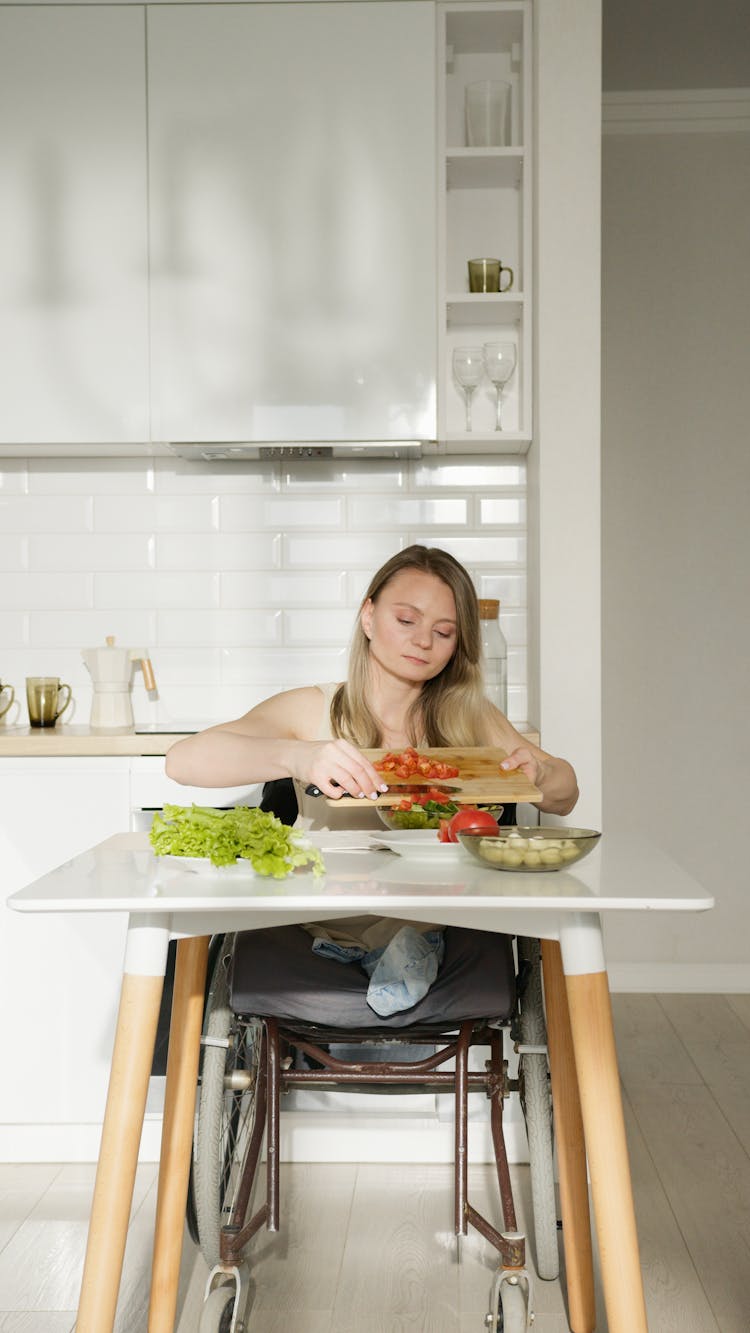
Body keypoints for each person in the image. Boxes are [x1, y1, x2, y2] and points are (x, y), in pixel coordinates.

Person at [165, 545, 578, 1014]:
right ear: (368, 617)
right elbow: (184, 761)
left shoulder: (472, 718)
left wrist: (542, 773)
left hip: (440, 922)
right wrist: (299, 756)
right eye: (406, 621)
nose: (424, 641)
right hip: (318, 922)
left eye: (443, 632)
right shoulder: (314, 708)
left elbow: (565, 795)